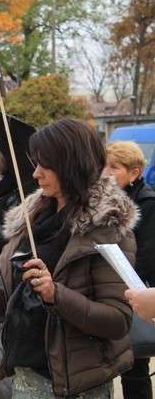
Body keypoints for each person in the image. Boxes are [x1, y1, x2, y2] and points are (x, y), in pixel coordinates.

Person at [0, 119, 137, 398]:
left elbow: (118, 321)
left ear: (72, 164)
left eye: (46, 165)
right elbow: (19, 303)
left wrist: (56, 294)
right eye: (35, 163)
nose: (37, 174)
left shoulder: (107, 228)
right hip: (24, 377)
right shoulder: (30, 221)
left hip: (76, 385)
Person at [104, 141, 155, 399]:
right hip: (117, 289)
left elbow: (147, 254)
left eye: (114, 167)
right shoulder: (110, 201)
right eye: (105, 166)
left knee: (135, 365)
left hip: (137, 290)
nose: (106, 173)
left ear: (134, 172)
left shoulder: (148, 203)